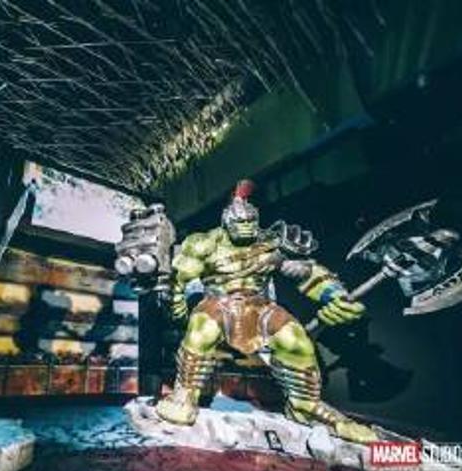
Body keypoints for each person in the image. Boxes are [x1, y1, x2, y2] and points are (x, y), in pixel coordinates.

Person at [156, 180, 377, 443]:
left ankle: (304, 404)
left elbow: (310, 273)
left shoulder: (272, 243)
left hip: (260, 306)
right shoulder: (203, 243)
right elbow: (179, 282)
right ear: (227, 221)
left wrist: (337, 296)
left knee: (295, 340)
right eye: (240, 223)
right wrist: (177, 309)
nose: (246, 228)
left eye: (251, 222)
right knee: (202, 330)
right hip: (218, 302)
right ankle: (185, 393)